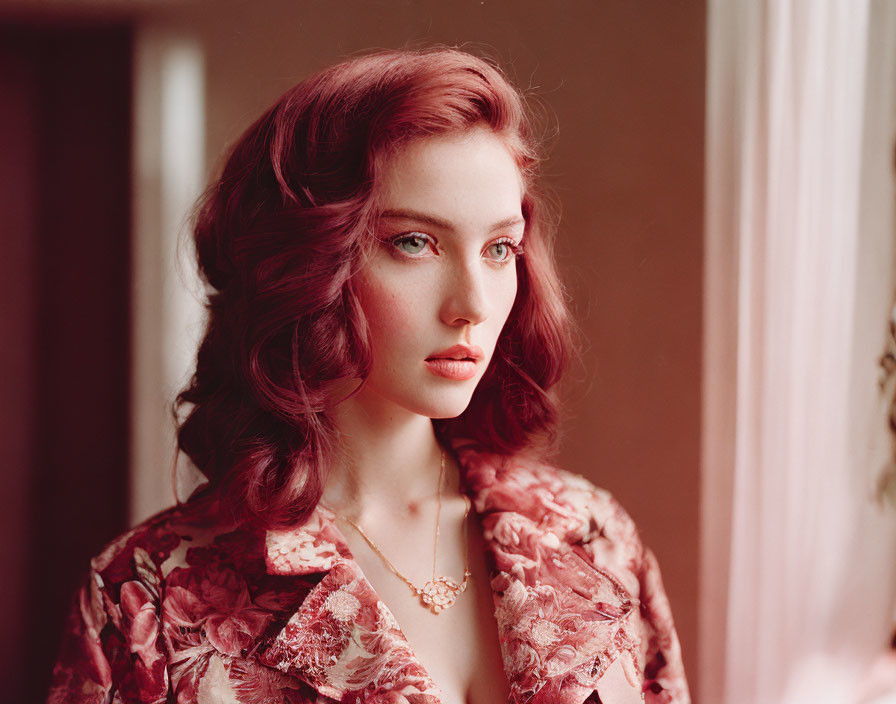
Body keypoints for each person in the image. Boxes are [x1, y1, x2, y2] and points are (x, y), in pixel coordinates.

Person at [46, 47, 690, 704]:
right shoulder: (148, 596)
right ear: (305, 262)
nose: (471, 304)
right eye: (414, 242)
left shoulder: (591, 535)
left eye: (499, 249)